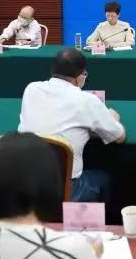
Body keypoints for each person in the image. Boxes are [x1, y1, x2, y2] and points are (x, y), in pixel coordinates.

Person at [18, 49, 126, 202]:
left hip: (25, 185)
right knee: (104, 179)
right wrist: (113, 118)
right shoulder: (87, 100)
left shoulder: (31, 89)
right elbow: (119, 137)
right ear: (80, 77)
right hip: (67, 191)